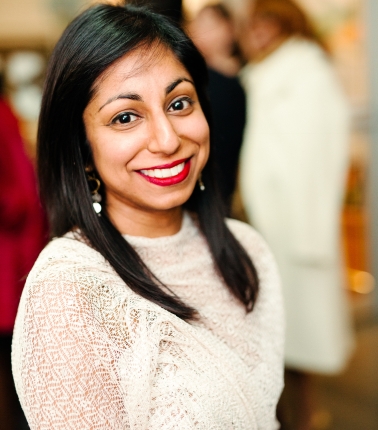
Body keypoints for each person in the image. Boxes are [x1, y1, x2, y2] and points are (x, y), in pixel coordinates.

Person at [11, 3, 284, 429]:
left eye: (179, 103)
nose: (167, 139)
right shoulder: (71, 289)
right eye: (125, 117)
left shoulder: (247, 250)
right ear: (83, 150)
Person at [237, 0, 354, 428]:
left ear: (289, 21)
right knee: (278, 336)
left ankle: (306, 418)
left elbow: (320, 159)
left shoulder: (306, 73)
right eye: (254, 23)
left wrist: (311, 230)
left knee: (295, 338)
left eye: (269, 21)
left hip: (295, 224)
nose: (260, 31)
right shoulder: (265, 74)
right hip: (266, 222)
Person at [0, 71, 46, 429]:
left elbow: (18, 199)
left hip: (9, 256)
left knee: (17, 367)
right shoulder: (6, 112)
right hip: (15, 252)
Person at [188, 4, 247, 214]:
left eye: (210, 25)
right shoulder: (194, 78)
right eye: (197, 25)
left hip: (233, 179)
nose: (201, 33)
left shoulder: (251, 75)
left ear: (230, 29)